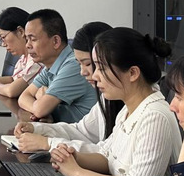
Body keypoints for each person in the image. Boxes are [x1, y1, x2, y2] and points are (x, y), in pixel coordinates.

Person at [49, 27, 180, 176]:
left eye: (102, 68)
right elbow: (107, 156)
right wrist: (73, 158)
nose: (95, 76)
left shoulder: (155, 117)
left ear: (132, 73)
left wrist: (76, 173)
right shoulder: (128, 109)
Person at [69, 55, 184, 176]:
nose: (172, 106)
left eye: (179, 97)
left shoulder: (155, 114)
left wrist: (76, 172)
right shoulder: (127, 110)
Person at [14, 21, 121, 152]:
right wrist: (36, 128)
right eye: (79, 64)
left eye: (89, 64)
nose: (82, 72)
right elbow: (81, 131)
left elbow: (106, 154)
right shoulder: (106, 100)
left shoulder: (139, 110)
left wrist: (48, 143)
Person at [18, 9, 98, 122]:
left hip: (82, 132)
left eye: (33, 39)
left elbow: (40, 109)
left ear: (55, 41)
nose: (27, 45)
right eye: (27, 40)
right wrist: (41, 108)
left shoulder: (74, 65)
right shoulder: (50, 66)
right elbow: (23, 97)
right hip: (64, 130)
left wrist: (42, 104)